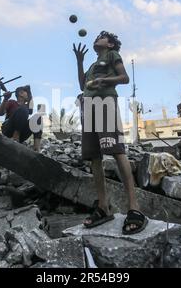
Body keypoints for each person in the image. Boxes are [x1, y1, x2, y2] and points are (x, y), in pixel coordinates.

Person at [73, 31, 148, 235]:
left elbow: (124, 78)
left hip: (105, 102)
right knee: (94, 156)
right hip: (88, 106)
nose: (98, 37)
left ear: (111, 44)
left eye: (103, 36)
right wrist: (79, 62)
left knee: (116, 151)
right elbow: (82, 85)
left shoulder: (112, 56)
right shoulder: (92, 64)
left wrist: (103, 82)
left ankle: (134, 208)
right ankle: (103, 207)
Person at [0, 85, 43, 151]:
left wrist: (29, 94)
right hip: (8, 130)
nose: (28, 94)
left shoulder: (26, 107)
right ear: (21, 93)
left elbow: (30, 108)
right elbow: (0, 113)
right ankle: (15, 138)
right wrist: (5, 99)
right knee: (23, 109)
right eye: (27, 93)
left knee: (37, 118)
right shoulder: (12, 102)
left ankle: (36, 149)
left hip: (22, 133)